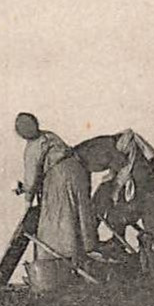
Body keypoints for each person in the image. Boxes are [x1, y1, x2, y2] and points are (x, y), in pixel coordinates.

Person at [14, 112, 96, 288]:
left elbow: (31, 179)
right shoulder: (49, 136)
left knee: (56, 224)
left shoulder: (32, 148)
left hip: (59, 179)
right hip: (78, 172)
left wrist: (27, 200)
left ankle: (62, 272)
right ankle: (83, 259)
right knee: (80, 219)